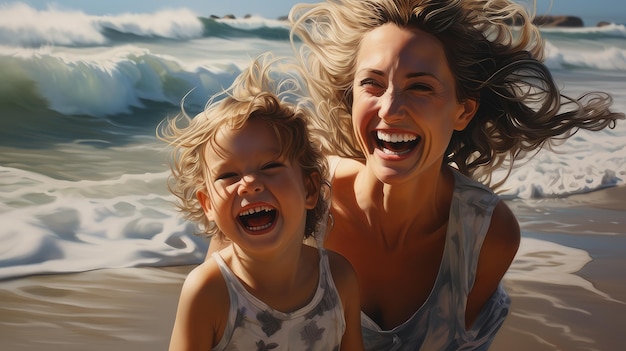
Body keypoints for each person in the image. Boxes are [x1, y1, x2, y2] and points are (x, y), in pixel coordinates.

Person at [280, 0, 624, 350]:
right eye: (372, 83)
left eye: (420, 87)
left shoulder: (486, 235)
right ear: (351, 98)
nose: (390, 108)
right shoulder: (300, 197)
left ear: (463, 110)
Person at [161, 55, 364, 351]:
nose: (250, 182)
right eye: (229, 175)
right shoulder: (209, 292)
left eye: (270, 167)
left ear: (309, 188)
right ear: (207, 205)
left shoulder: (338, 278)